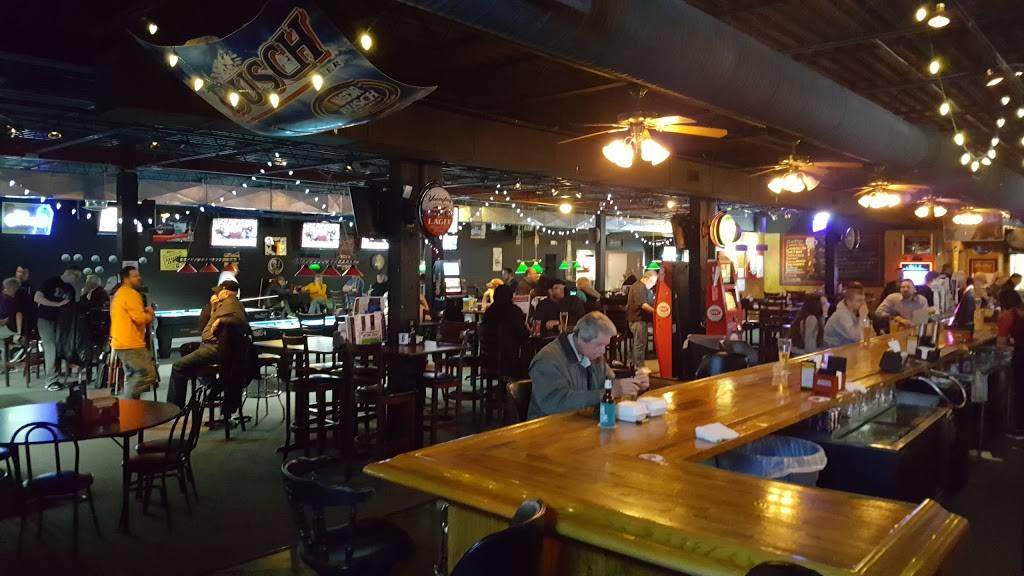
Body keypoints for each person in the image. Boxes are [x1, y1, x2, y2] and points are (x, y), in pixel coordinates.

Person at [527, 311, 649, 419]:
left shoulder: (594, 356)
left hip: (581, 423)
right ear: (581, 338)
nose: (603, 351)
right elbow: (556, 403)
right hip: (547, 429)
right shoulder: (547, 360)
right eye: (599, 345)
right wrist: (608, 393)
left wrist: (634, 384)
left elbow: (609, 383)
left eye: (605, 345)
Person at [167, 280, 249, 408]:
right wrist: (214, 308)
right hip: (209, 345)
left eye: (218, 291)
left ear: (225, 292)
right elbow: (207, 324)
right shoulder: (224, 304)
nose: (216, 294)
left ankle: (175, 407)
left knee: (177, 366)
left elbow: (241, 320)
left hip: (215, 348)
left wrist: (222, 320)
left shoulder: (232, 303)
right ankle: (211, 384)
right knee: (186, 349)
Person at [110, 266, 157, 399]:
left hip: (121, 342)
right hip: (131, 343)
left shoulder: (119, 293)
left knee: (132, 376)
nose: (139, 278)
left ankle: (131, 407)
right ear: (126, 279)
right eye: (135, 276)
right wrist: (150, 313)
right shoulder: (131, 294)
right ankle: (128, 404)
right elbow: (139, 318)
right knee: (147, 375)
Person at [35, 264, 81, 388]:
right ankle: (50, 380)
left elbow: (71, 306)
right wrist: (57, 305)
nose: (77, 279)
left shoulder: (70, 289)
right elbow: (37, 298)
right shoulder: (51, 281)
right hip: (46, 319)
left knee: (61, 346)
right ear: (69, 273)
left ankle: (58, 375)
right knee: (51, 347)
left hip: (61, 322)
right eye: (76, 276)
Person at [480, 284, 529, 378]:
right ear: (511, 296)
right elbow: (523, 334)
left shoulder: (489, 312)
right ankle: (520, 385)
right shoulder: (515, 311)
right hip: (508, 360)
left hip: (487, 359)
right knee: (526, 358)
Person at [625, 270, 656, 369]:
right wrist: (656, 312)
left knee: (640, 343)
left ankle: (636, 364)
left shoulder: (642, 287)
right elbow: (643, 304)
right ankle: (639, 367)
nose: (653, 285)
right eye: (652, 282)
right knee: (640, 344)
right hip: (638, 320)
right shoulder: (639, 287)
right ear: (646, 278)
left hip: (640, 320)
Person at [824, 282, 870, 347]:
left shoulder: (855, 311)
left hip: (847, 347)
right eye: (859, 300)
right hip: (832, 349)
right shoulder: (841, 314)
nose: (863, 304)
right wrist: (863, 316)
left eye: (863, 300)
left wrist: (864, 317)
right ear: (849, 302)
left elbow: (869, 333)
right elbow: (857, 337)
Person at [0, 277, 21, 342]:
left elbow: (18, 314)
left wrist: (6, 320)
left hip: (9, 326)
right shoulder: (2, 297)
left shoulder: (16, 301)